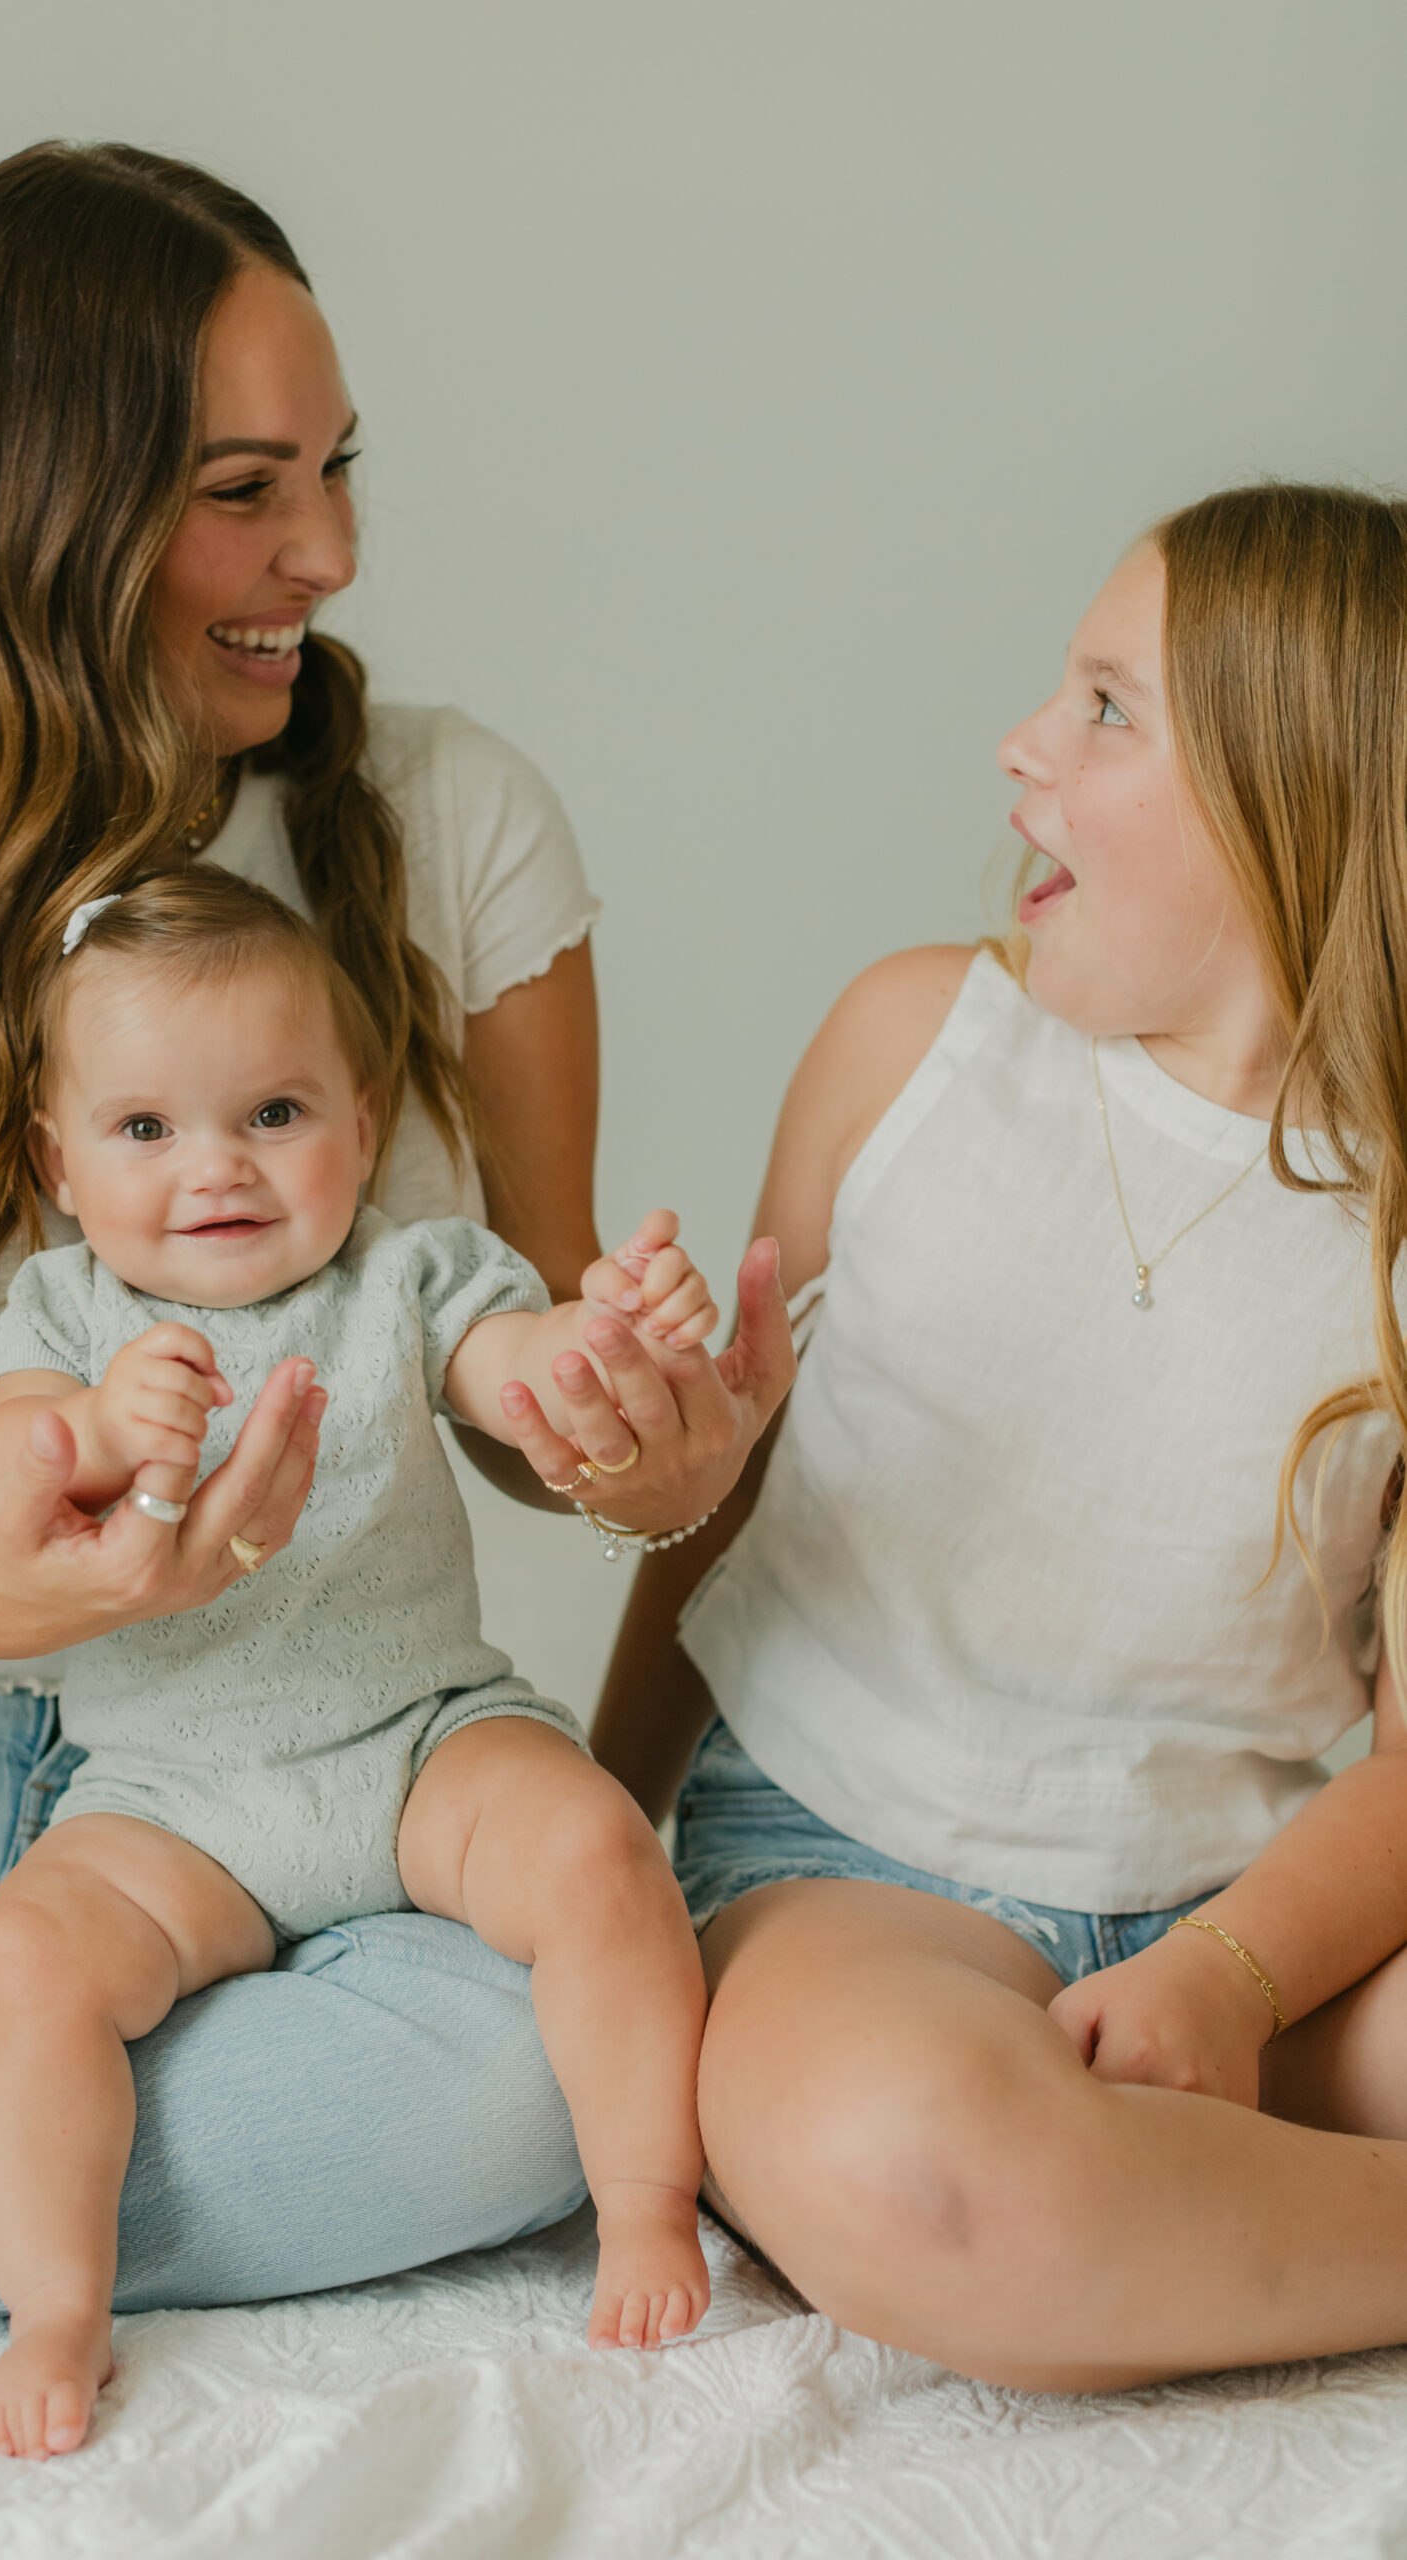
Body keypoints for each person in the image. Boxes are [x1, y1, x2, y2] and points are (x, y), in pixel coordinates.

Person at [0, 142, 792, 2328]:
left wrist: (634, 1447)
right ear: (32, 508)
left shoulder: (451, 816)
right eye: (240, 488)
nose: (330, 551)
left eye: (337, 470)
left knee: (524, 2078)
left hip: (307, 1758)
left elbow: (514, 1349)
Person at [595, 483, 1407, 2391]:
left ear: (1299, 804)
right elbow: (723, 1508)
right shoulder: (912, 1050)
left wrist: (1234, 1974)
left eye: (1110, 709)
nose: (1024, 746)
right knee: (921, 2173)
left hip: (1251, 1912)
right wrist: (599, 1835)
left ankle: (1171, 2177)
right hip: (841, 1869)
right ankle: (1143, 2202)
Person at [0, 869, 715, 2455]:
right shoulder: (61, 1313)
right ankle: (55, 2302)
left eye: (276, 1112)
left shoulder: (410, 1277)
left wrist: (600, 1354)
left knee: (591, 1840)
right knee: (25, 1961)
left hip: (421, 1738)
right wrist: (94, 1431)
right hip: (176, 1801)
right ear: (58, 1161)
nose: (217, 1167)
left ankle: (648, 2201)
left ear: (362, 1129)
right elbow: (8, 1461)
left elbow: (511, 1375)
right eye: (146, 1130)